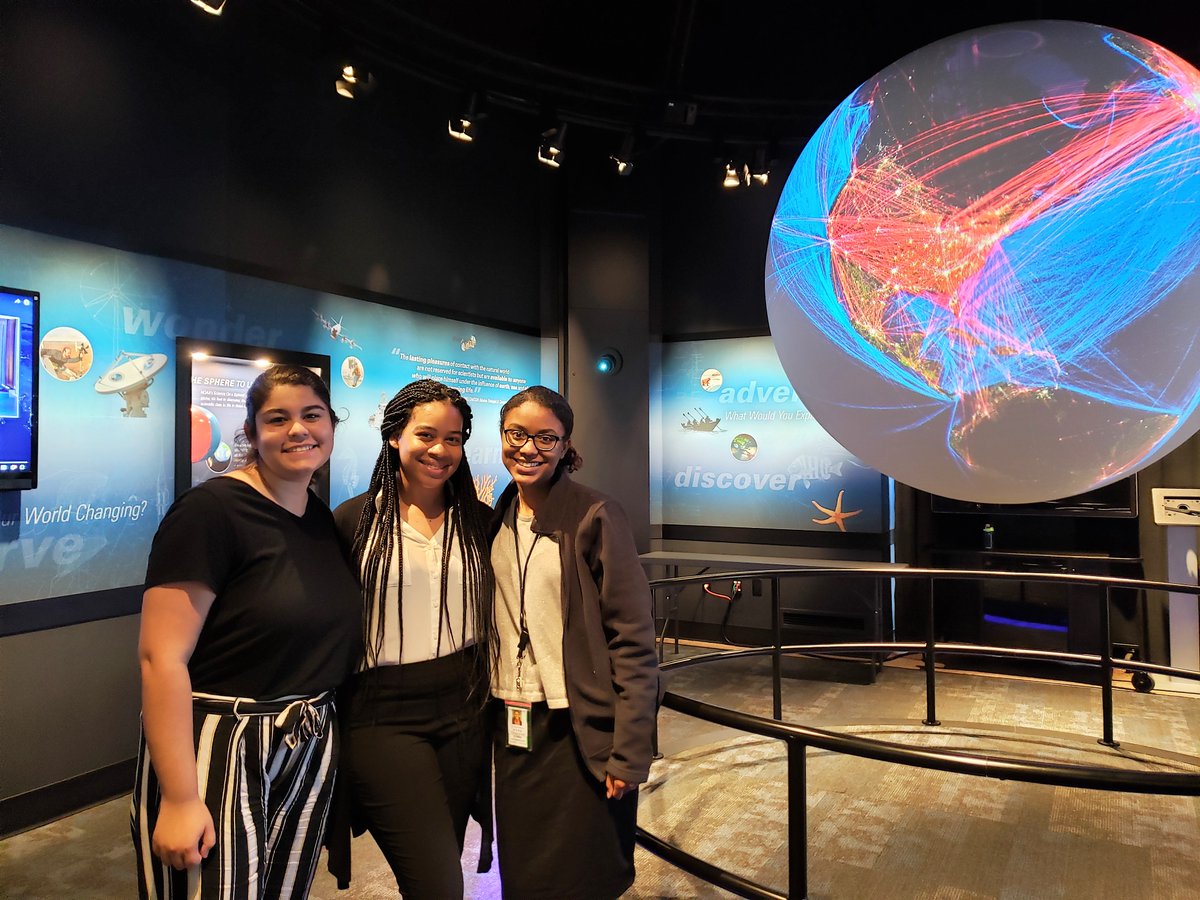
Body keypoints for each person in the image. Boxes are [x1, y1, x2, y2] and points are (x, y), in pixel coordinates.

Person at [131, 364, 362, 899]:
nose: (298, 429)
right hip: (220, 741)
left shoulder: (317, 518)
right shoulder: (210, 511)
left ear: (331, 425)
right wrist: (181, 798)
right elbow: (160, 658)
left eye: (312, 415)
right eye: (277, 419)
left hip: (305, 740)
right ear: (252, 433)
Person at [490, 385, 659, 899]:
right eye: (517, 434)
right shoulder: (499, 513)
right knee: (523, 872)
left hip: (580, 729)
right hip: (515, 723)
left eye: (546, 437)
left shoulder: (595, 513)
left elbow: (633, 640)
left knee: (585, 872)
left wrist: (630, 752)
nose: (529, 448)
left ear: (565, 445)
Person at [329, 379, 496, 897]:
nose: (440, 450)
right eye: (426, 435)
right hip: (383, 717)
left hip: (466, 708)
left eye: (454, 439)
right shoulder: (354, 522)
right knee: (438, 882)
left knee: (442, 861)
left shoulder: (481, 522)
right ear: (394, 436)